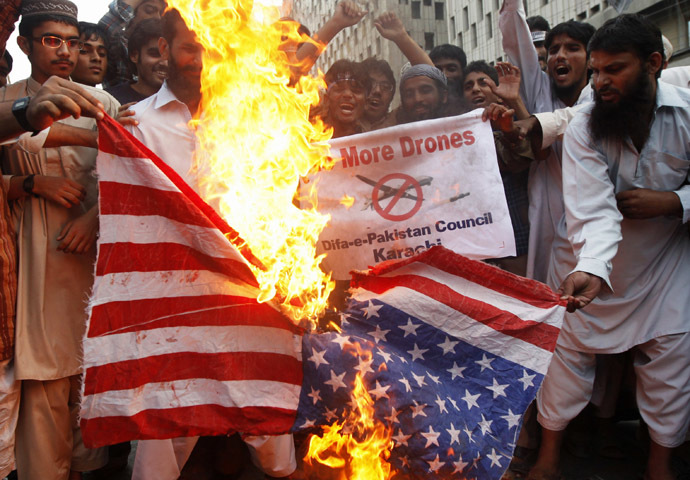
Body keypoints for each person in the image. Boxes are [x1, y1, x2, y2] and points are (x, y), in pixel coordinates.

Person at [126, 9, 299, 479]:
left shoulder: (259, 116)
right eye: (190, 47)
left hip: (248, 293)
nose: (204, 60)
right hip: (172, 301)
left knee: (269, 433)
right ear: (163, 49)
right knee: (165, 430)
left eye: (211, 47)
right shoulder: (134, 125)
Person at [530, 14, 690, 480]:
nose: (600, 82)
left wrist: (674, 201)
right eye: (596, 70)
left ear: (654, 64)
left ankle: (659, 466)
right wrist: (594, 269)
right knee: (565, 361)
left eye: (614, 69)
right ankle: (548, 459)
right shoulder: (583, 125)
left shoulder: (687, 112)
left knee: (670, 366)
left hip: (664, 265)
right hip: (584, 263)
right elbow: (593, 210)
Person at [0, 1, 120, 478]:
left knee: (90, 375)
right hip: (33, 258)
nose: (65, 52)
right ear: (26, 44)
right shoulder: (7, 102)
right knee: (43, 381)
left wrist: (93, 217)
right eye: (52, 40)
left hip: (91, 261)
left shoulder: (105, 105)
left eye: (72, 42)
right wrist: (35, 184)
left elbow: (127, 178)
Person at [463, 60, 531, 276]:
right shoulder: (457, 137)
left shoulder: (515, 124)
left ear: (499, 92)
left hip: (516, 232)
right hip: (477, 235)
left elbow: (529, 153)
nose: (475, 89)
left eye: (483, 83)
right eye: (468, 86)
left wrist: (510, 130)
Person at [98, 0, 166, 88]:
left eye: (161, 13)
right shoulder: (119, 44)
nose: (157, 17)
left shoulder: (168, 44)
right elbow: (105, 29)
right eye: (149, 10)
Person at [106, 17, 167, 104]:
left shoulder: (187, 102)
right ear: (134, 55)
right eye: (154, 54)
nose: (165, 63)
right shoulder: (110, 101)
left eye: (170, 57)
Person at [321, 60, 370, 138]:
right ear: (327, 99)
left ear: (366, 102)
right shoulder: (307, 137)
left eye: (356, 91)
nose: (347, 95)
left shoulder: (374, 140)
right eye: (339, 89)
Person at [70, 22, 109, 87]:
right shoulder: (51, 94)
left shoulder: (109, 96)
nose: (97, 58)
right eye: (85, 51)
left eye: (102, 53)